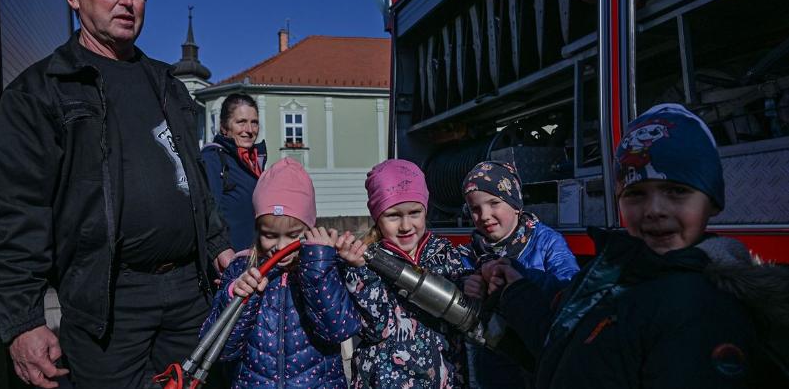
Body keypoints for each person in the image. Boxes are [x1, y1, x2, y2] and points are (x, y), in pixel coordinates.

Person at [0, 0, 234, 388]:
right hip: (109, 302)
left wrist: (218, 244)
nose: (127, 1)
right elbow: (20, 211)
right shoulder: (39, 92)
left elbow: (193, 177)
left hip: (188, 292)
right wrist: (21, 320)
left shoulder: (167, 84)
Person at [482, 103, 789, 388]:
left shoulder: (704, 313)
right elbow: (561, 345)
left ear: (713, 202)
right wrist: (516, 290)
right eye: (636, 193)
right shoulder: (616, 274)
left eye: (676, 191)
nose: (654, 209)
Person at [201, 157, 361, 387]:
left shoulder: (325, 265)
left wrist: (317, 270)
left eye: (293, 234)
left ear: (309, 227)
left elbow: (339, 331)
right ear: (257, 230)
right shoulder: (241, 269)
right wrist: (238, 295)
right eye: (269, 235)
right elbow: (222, 350)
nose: (281, 246)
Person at [336, 159, 472, 388]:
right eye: (393, 215)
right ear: (377, 218)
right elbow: (375, 328)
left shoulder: (445, 253)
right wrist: (359, 272)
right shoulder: (367, 261)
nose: (406, 225)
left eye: (415, 213)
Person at [460, 160, 579, 388]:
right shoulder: (469, 253)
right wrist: (467, 284)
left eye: (494, 202)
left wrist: (521, 279)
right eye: (475, 208)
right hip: (490, 369)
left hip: (536, 363)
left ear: (515, 204)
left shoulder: (547, 243)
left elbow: (570, 289)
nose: (484, 215)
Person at [202, 93, 267, 251]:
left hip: (256, 261)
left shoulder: (255, 161)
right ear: (224, 127)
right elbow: (207, 216)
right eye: (241, 122)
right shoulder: (213, 159)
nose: (250, 130)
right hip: (230, 264)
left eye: (254, 122)